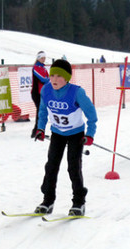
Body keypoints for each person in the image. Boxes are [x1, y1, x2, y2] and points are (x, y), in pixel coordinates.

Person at [33, 58, 97, 217]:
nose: (54, 79)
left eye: (59, 76)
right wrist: (40, 128)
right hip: (57, 133)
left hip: (76, 134)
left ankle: (78, 202)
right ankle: (47, 201)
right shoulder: (46, 90)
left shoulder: (76, 92)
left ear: (67, 78)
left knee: (73, 167)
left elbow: (91, 114)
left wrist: (90, 134)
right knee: (51, 167)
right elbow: (42, 111)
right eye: (52, 75)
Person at [30, 51, 48, 137]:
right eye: (42, 58)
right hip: (36, 93)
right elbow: (43, 79)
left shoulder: (43, 68)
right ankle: (36, 131)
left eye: (44, 58)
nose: (43, 59)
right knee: (40, 111)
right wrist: (50, 79)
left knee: (42, 112)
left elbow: (47, 78)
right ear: (38, 58)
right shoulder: (36, 67)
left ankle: (38, 130)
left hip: (42, 93)